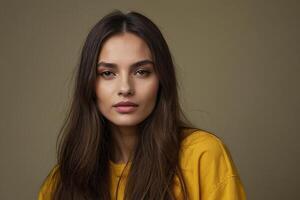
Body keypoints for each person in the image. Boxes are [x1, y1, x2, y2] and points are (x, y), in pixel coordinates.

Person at [38, 10, 247, 200]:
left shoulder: (203, 156)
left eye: (141, 72)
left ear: (161, 80)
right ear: (90, 84)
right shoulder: (61, 184)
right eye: (108, 73)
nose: (125, 88)